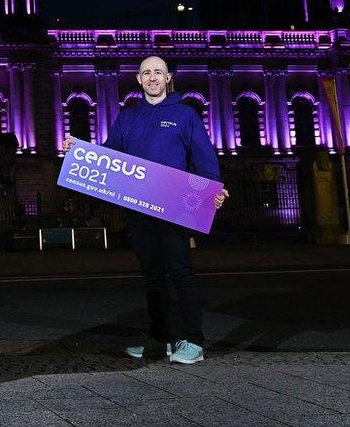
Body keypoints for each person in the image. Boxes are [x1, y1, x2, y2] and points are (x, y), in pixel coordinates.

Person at [63, 56, 228, 365]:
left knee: (180, 270)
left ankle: (194, 341)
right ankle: (159, 339)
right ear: (138, 79)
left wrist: (212, 189)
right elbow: (109, 156)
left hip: (175, 205)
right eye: (146, 73)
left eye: (158, 72)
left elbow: (204, 157)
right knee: (152, 275)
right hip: (138, 206)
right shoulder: (128, 117)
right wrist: (80, 151)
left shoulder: (185, 115)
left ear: (168, 78)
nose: (152, 77)